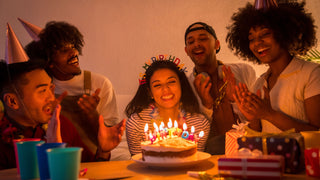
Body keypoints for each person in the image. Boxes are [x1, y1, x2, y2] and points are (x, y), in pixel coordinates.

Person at [25, 21, 126, 158]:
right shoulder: (42, 91)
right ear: (49, 61)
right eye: (64, 50)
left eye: (74, 47)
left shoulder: (100, 84)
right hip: (53, 161)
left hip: (95, 161)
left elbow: (110, 139)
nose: (74, 53)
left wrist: (92, 116)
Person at [0, 59, 125, 170]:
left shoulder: (60, 123)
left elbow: (86, 170)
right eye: (42, 90)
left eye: (51, 88)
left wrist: (103, 151)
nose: (51, 97)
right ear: (12, 101)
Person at [226, 1, 320, 133]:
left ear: (285, 33)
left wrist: (269, 114)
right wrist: (252, 118)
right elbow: (258, 136)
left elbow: (317, 134)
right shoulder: (259, 84)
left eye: (265, 34)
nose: (258, 43)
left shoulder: (312, 73)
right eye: (251, 39)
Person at [184, 22, 256, 154]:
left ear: (217, 44)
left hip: (248, 149)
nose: (196, 44)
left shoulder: (244, 72)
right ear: (187, 51)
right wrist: (206, 107)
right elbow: (192, 137)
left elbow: (257, 123)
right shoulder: (186, 87)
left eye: (203, 39)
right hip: (209, 155)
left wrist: (235, 100)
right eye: (191, 42)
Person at [125, 58, 210, 156]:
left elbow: (195, 160)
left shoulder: (200, 123)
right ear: (149, 92)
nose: (165, 89)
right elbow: (139, 162)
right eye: (157, 85)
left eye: (171, 82)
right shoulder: (137, 124)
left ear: (181, 85)